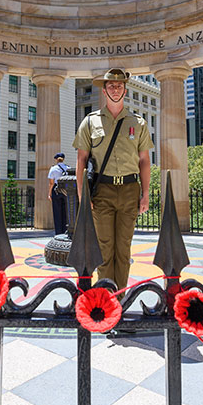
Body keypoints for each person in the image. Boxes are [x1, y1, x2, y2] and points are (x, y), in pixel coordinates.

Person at [73, 68, 153, 293]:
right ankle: (108, 300)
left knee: (123, 249)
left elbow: (144, 161)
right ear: (105, 90)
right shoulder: (90, 122)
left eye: (119, 86)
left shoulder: (138, 123)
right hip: (103, 190)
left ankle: (121, 298)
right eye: (111, 86)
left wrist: (145, 193)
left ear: (125, 90)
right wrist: (82, 194)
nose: (115, 89)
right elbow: (81, 160)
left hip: (129, 189)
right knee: (105, 248)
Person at [47, 152, 70, 236]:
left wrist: (49, 193)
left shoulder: (53, 169)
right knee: (65, 212)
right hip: (66, 189)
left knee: (57, 212)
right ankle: (65, 231)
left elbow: (51, 183)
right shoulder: (68, 168)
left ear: (56, 159)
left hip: (56, 190)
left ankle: (58, 232)